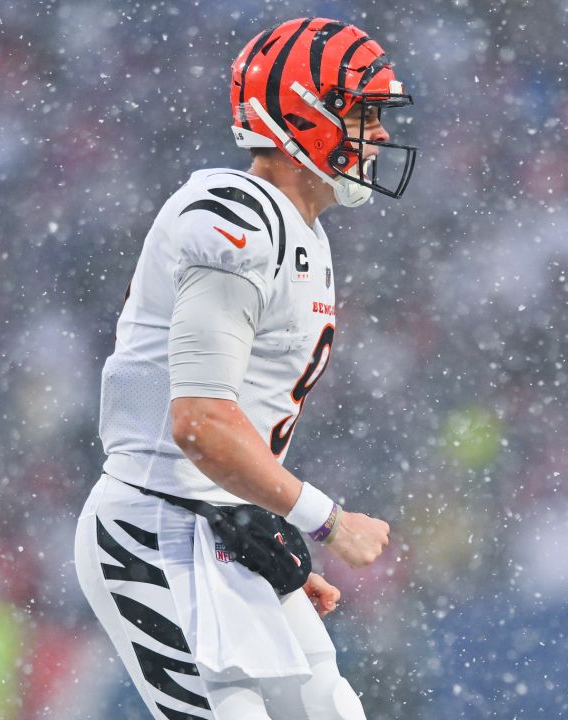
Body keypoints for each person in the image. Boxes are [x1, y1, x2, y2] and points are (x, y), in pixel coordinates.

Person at [73, 18, 418, 720]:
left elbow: (234, 430)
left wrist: (272, 529)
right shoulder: (234, 219)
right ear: (303, 113)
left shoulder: (302, 233)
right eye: (364, 114)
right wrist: (326, 520)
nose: (378, 136)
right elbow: (199, 424)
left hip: (221, 522)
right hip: (154, 523)